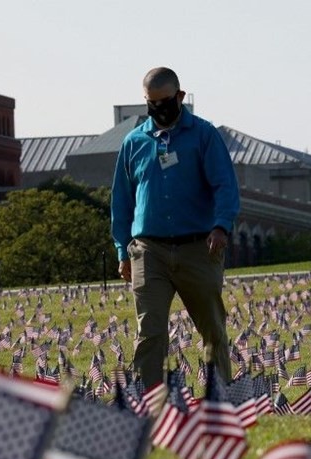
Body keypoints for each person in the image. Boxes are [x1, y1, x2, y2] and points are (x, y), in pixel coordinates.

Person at [111, 67, 239, 388]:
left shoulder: (204, 135)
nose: (158, 109)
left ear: (180, 97)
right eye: (150, 103)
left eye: (164, 101)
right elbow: (121, 202)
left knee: (212, 329)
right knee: (150, 330)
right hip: (148, 251)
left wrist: (221, 226)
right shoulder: (134, 142)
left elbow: (225, 185)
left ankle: (220, 397)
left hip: (198, 247)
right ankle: (149, 403)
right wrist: (121, 250)